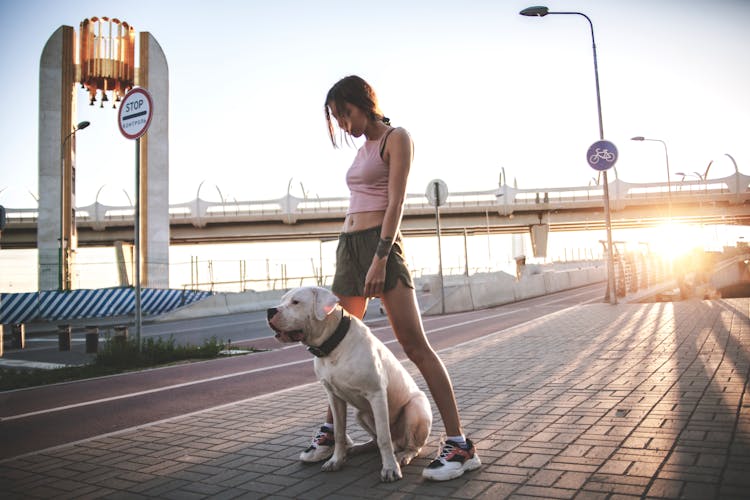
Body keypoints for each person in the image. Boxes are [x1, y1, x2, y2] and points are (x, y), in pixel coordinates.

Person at [300, 75, 480, 481]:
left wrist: (380, 257)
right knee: (333, 341)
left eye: (344, 114)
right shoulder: (363, 148)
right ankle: (333, 433)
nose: (343, 125)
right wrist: (355, 253)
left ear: (364, 102)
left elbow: (395, 202)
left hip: (379, 247)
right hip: (349, 249)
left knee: (415, 345)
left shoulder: (396, 138)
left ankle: (459, 444)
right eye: (336, 118)